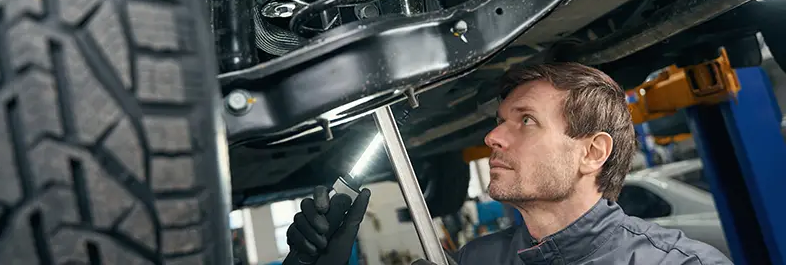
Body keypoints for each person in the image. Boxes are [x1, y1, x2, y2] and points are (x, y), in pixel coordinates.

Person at [283, 63, 733, 264]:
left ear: (592, 152)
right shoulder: (478, 258)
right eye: (500, 122)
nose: (493, 137)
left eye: (527, 121)